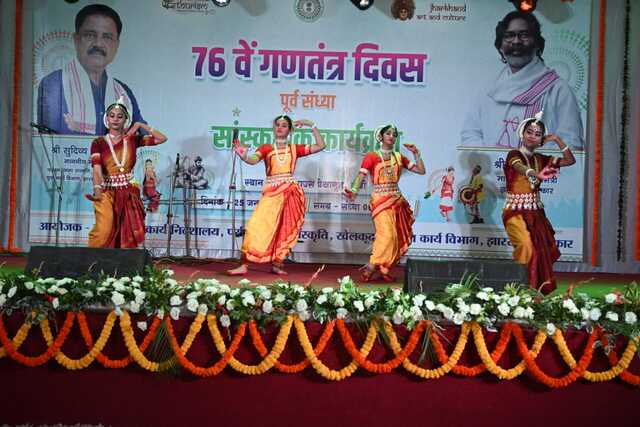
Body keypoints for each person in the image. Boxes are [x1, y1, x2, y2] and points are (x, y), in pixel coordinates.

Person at [460, 11, 583, 150]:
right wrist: (488, 159)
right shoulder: (489, 90)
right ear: (500, 46)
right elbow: (471, 133)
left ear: (537, 43)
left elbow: (571, 144)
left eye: (524, 35)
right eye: (509, 36)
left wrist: (529, 161)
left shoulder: (557, 90)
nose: (516, 41)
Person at [226, 115, 325, 276]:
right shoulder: (266, 148)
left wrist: (311, 124)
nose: (280, 127)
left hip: (290, 192)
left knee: (284, 228)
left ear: (290, 130)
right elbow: (253, 160)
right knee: (255, 225)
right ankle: (244, 264)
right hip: (272, 193)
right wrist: (244, 156)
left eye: (284, 125)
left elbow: (321, 145)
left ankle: (277, 263)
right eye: (277, 125)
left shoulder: (294, 149)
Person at [37, 4, 145, 135]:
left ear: (116, 45)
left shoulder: (123, 91)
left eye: (107, 37)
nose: (98, 44)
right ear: (76, 40)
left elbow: (142, 134)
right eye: (90, 35)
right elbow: (54, 138)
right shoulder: (55, 83)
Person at [502, 111, 575, 294]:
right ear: (522, 133)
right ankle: (517, 290)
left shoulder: (541, 159)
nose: (532, 136)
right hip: (515, 213)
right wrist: (534, 173)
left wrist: (557, 139)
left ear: (541, 139)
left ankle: (532, 292)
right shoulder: (514, 154)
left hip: (536, 214)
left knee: (540, 253)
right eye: (529, 132)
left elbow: (570, 160)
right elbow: (518, 166)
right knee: (525, 246)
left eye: (537, 134)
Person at [344, 124, 425, 282]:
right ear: (380, 137)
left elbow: (421, 171)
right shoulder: (372, 156)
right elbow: (361, 176)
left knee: (395, 236)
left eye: (394, 134)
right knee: (386, 234)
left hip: (397, 200)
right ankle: (371, 266)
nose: (392, 136)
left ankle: (384, 268)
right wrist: (353, 190)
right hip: (380, 200)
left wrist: (416, 154)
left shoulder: (399, 157)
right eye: (388, 133)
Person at [86, 96, 167, 248]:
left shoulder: (132, 140)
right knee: (104, 230)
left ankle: (122, 263)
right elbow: (96, 169)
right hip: (107, 191)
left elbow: (162, 138)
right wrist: (97, 190)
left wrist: (139, 125)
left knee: (127, 232)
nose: (115, 119)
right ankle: (92, 260)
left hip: (129, 192)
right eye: (112, 116)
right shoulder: (98, 143)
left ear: (125, 120)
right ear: (107, 119)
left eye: (120, 116)